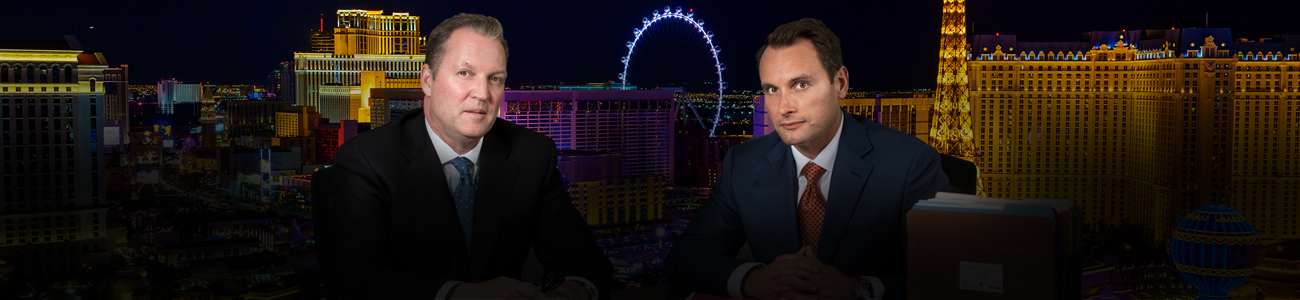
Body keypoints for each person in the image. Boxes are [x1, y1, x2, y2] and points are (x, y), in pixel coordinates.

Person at [326, 13, 611, 299]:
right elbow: (355, 279)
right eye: (465, 73)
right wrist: (459, 295)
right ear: (427, 80)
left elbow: (582, 256)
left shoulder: (532, 154)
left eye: (495, 78)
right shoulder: (367, 160)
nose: (482, 93)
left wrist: (577, 289)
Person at [665, 18, 949, 300]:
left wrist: (857, 289)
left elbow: (945, 275)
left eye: (800, 85)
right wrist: (754, 280)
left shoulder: (909, 162)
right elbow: (686, 258)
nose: (783, 108)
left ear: (840, 83)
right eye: (772, 90)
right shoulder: (744, 162)